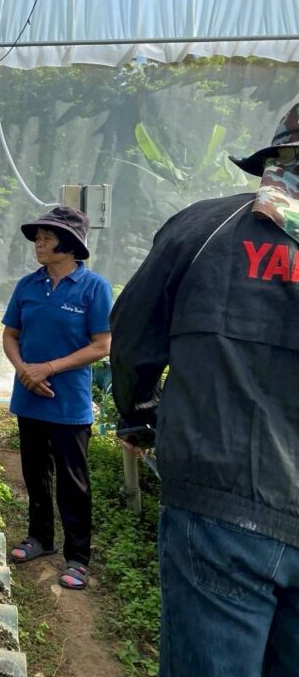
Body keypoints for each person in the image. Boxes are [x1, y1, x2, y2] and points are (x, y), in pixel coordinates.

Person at [110, 105, 299, 676]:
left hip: (223, 505)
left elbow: (134, 336)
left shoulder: (205, 229)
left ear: (274, 159)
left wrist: (141, 415)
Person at [1, 205, 113, 590]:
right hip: (29, 396)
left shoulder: (93, 287)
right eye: (38, 237)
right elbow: (10, 335)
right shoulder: (27, 286)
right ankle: (40, 537)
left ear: (69, 244)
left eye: (47, 237)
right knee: (35, 472)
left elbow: (101, 345)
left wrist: (48, 368)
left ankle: (78, 557)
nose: (39, 243)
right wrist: (24, 370)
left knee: (72, 481)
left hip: (69, 403)